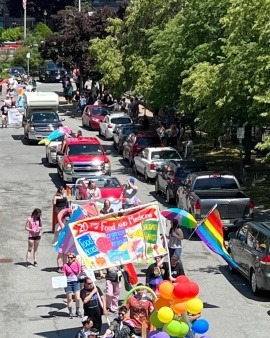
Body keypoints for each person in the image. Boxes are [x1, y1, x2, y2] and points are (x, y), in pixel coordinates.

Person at [62, 252, 83, 318]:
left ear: (74, 258)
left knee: (77, 298)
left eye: (71, 257)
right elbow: (64, 274)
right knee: (69, 298)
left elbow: (80, 272)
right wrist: (62, 281)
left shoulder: (77, 264)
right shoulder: (65, 265)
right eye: (68, 257)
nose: (69, 259)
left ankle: (77, 310)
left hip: (76, 282)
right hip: (68, 283)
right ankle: (70, 312)